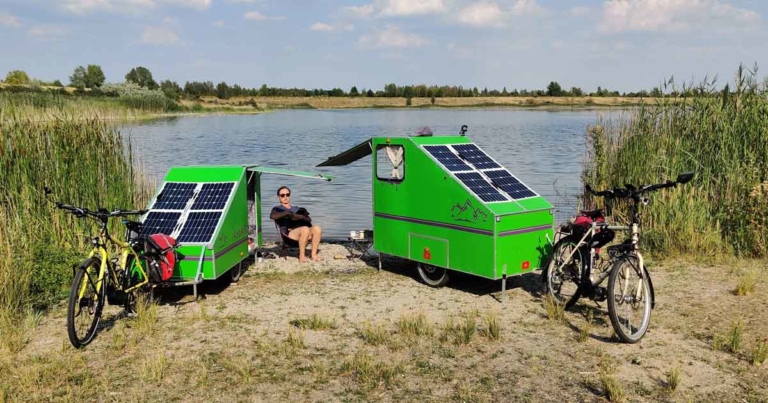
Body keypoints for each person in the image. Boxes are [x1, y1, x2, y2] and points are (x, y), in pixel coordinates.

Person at [270, 186, 323, 262]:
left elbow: (309, 219)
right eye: (282, 195)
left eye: (287, 194)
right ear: (278, 197)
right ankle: (302, 256)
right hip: (288, 235)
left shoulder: (296, 208)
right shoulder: (277, 208)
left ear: (290, 195)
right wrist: (287, 213)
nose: (285, 197)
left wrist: (299, 217)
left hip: (302, 230)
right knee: (305, 229)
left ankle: (313, 255)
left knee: (317, 228)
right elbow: (272, 216)